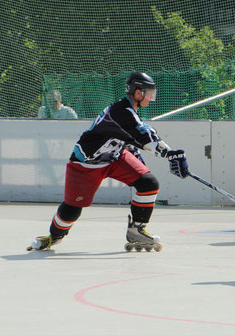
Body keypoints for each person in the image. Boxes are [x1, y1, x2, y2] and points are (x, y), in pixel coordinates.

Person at [27, 72, 189, 251]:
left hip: (115, 157)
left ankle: (137, 230)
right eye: (149, 94)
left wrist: (168, 152)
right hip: (87, 164)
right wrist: (170, 154)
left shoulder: (129, 111)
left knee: (148, 183)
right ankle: (54, 236)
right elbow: (142, 133)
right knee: (73, 207)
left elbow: (140, 133)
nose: (151, 98)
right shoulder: (119, 111)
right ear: (137, 93)